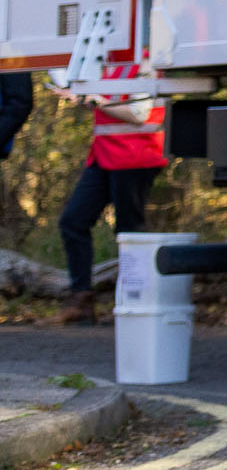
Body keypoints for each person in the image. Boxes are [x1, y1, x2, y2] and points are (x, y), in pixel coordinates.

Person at [58, 70, 166, 326]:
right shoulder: (106, 67)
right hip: (103, 156)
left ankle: (136, 302)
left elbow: (139, 115)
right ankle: (81, 302)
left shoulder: (145, 63)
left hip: (135, 156)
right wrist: (83, 98)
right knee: (73, 222)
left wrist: (97, 101)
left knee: (130, 231)